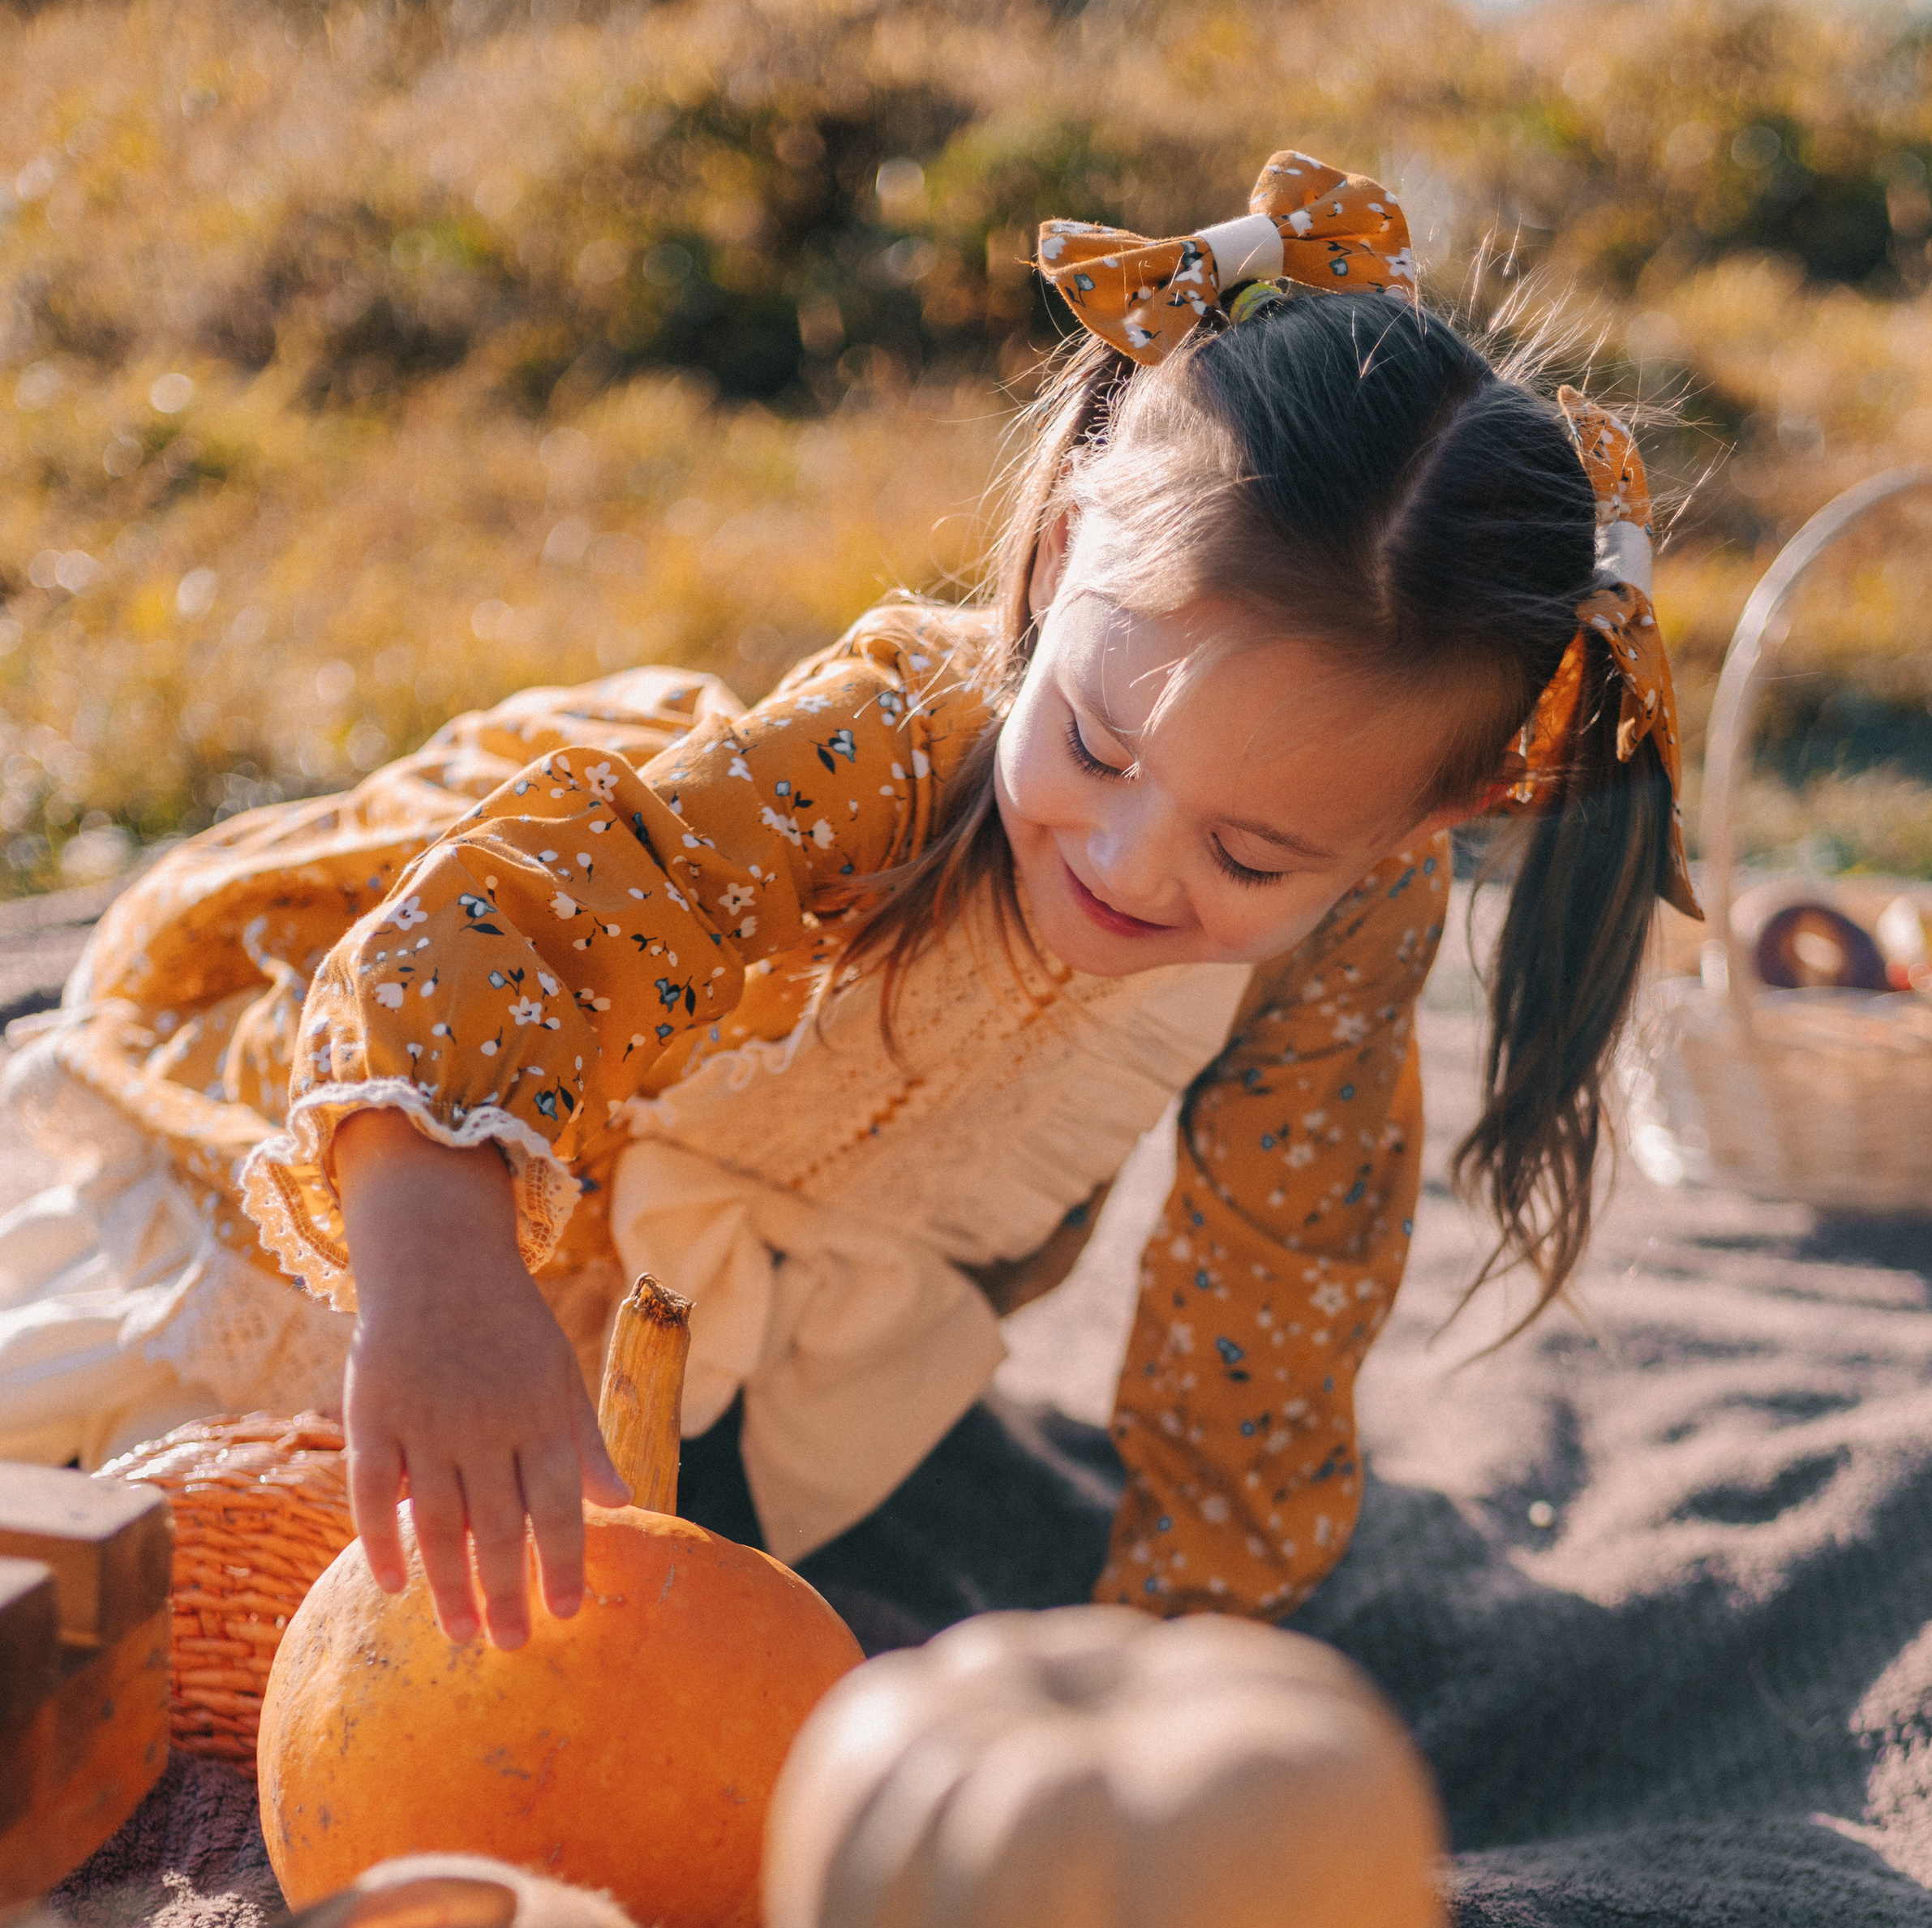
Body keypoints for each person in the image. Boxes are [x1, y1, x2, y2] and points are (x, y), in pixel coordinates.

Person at [0, 152, 1692, 1653]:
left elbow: (1274, 1279)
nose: (1124, 863)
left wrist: (1189, 1635)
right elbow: (516, 938)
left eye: (1252, 860)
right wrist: (442, 1283)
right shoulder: (885, 744)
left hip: (745, 1309)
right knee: (174, 1523)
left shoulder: (1360, 927)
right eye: (1094, 743)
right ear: (1055, 560)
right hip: (445, 1165)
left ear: (1441, 817)